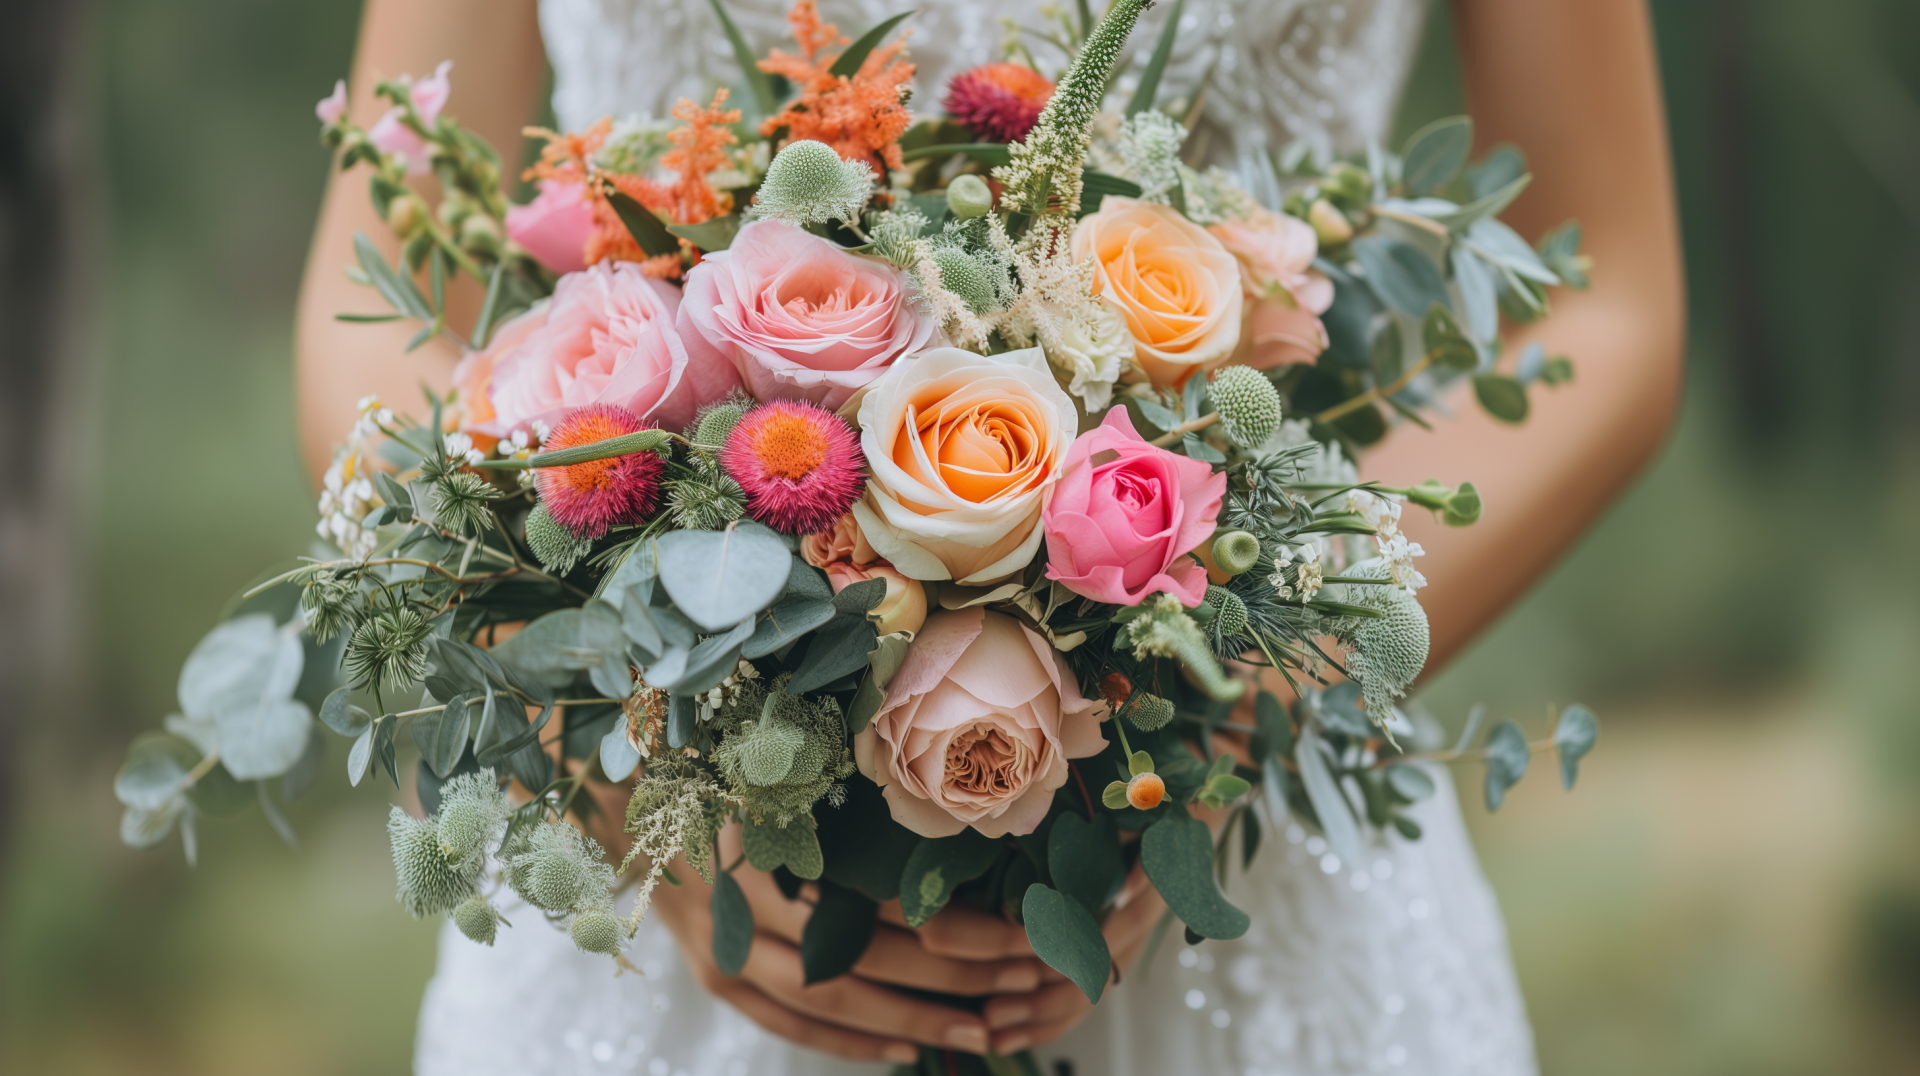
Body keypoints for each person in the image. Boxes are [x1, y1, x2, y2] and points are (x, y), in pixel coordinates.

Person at [295, 1, 1684, 1072]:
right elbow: (373, 295)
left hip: (1239, 841)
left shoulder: (1245, 698)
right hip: (672, 862)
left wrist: (1252, 686)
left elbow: (1609, 300)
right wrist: (605, 747)